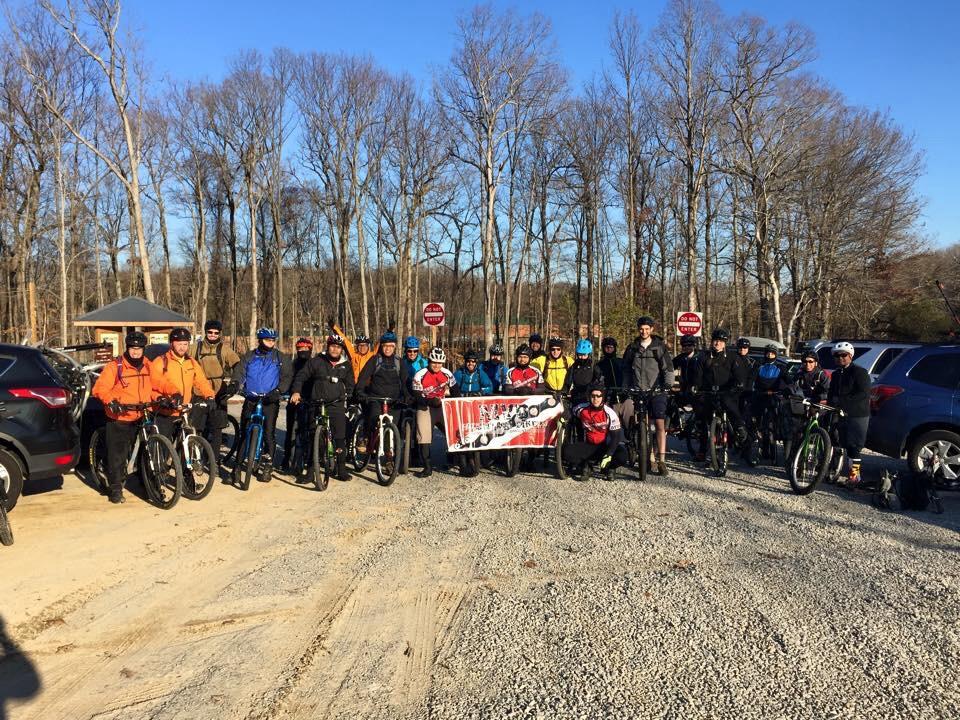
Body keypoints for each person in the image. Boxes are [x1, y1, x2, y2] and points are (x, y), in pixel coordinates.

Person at [92, 331, 178, 504]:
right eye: (133, 348)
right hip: (120, 416)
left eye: (139, 349)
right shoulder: (115, 366)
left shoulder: (147, 365)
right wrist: (111, 401)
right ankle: (115, 488)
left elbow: (160, 382)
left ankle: (146, 484)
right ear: (127, 348)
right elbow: (100, 388)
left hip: (141, 413)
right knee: (118, 454)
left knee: (146, 451)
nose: (136, 352)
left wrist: (174, 392)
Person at [290, 334, 355, 481]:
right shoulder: (316, 361)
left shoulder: (346, 365)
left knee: (339, 438)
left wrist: (350, 398)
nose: (335, 349)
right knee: (314, 437)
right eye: (332, 346)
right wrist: (296, 391)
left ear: (341, 349)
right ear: (328, 346)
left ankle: (341, 469)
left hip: (337, 404)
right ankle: (310, 472)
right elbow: (302, 375)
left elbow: (351, 384)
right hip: (317, 403)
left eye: (338, 347)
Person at [233, 327, 292, 476]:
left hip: (270, 400)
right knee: (245, 433)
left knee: (268, 433)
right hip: (251, 398)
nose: (270, 343)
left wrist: (279, 391)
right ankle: (237, 468)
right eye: (267, 340)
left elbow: (287, 376)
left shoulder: (280, 358)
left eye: (272, 340)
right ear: (260, 340)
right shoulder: (250, 356)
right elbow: (240, 372)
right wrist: (235, 384)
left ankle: (268, 464)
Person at [621, 315, 673, 477]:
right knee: (642, 423)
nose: (644, 331)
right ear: (638, 330)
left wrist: (667, 385)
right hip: (638, 390)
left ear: (651, 330)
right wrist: (626, 386)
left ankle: (661, 460)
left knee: (659, 424)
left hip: (656, 390)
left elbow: (668, 368)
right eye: (641, 329)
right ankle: (648, 457)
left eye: (647, 329)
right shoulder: (632, 348)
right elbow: (626, 369)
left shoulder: (659, 347)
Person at [150, 328, 216, 446]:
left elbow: (201, 381)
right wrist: (162, 399)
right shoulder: (161, 361)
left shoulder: (191, 362)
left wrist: (210, 396)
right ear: (172, 344)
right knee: (162, 449)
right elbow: (153, 383)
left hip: (184, 410)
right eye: (179, 344)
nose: (182, 347)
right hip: (166, 411)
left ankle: (180, 463)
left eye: (185, 344)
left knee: (184, 445)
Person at [691, 328, 748, 460]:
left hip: (726, 391)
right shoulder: (703, 356)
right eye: (716, 341)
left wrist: (739, 384)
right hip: (708, 391)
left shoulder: (732, 357)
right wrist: (695, 386)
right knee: (703, 419)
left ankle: (739, 428)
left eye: (721, 341)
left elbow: (739, 375)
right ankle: (702, 450)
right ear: (712, 342)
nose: (718, 344)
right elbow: (698, 376)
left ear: (725, 343)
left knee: (730, 405)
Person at [192, 319, 241, 459]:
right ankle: (195, 457)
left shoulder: (224, 349)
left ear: (219, 334)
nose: (213, 335)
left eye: (216, 333)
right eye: (210, 332)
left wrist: (235, 382)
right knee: (197, 427)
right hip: (198, 390)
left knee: (217, 428)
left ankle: (214, 460)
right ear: (205, 332)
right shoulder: (195, 347)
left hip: (219, 391)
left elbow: (238, 365)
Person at [355, 331, 410, 450]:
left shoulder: (399, 362)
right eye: (385, 346)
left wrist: (407, 395)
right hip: (376, 398)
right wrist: (360, 391)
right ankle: (366, 437)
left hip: (393, 400)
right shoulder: (375, 360)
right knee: (373, 419)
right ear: (381, 346)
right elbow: (363, 378)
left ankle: (390, 457)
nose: (388, 349)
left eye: (391, 346)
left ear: (395, 347)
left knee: (393, 428)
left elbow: (405, 381)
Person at [563, 383, 629, 482]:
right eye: (593, 396)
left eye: (599, 396)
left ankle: (610, 468)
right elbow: (569, 412)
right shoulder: (581, 409)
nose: (596, 399)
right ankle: (586, 466)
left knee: (623, 455)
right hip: (589, 445)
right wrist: (564, 417)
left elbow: (616, 437)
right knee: (566, 453)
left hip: (605, 446)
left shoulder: (610, 413)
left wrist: (609, 454)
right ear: (589, 397)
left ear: (603, 397)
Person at [826, 341, 871, 487]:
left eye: (843, 355)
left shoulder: (860, 372)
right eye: (837, 356)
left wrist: (843, 402)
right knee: (836, 442)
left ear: (850, 356)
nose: (840, 358)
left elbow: (864, 393)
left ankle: (854, 477)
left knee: (854, 447)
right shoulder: (836, 374)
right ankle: (834, 471)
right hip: (839, 413)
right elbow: (831, 393)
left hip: (857, 414)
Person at [411, 347, 457, 477]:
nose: (436, 365)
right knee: (424, 436)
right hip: (425, 406)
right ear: (429, 361)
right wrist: (430, 401)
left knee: (453, 431)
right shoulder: (420, 374)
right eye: (434, 362)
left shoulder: (447, 373)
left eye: (439, 363)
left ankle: (455, 460)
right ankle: (427, 467)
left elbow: (456, 391)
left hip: (441, 406)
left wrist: (454, 404)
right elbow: (417, 396)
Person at [281, 337, 315, 471]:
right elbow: (288, 380)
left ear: (310, 349)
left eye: (306, 349)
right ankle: (287, 458)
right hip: (294, 401)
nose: (303, 351)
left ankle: (312, 456)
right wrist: (285, 392)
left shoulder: (314, 363)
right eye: (300, 349)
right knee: (290, 431)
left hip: (311, 401)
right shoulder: (293, 364)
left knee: (310, 429)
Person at [562, 339, 604, 405]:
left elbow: (599, 382)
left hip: (590, 398)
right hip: (576, 397)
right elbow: (568, 382)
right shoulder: (574, 366)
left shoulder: (594, 366)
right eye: (580, 355)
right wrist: (564, 392)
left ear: (589, 355)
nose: (582, 357)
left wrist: (593, 390)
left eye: (584, 355)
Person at [597, 337, 624, 406]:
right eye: (607, 347)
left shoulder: (621, 362)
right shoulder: (600, 364)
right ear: (603, 348)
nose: (609, 349)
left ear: (614, 348)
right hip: (606, 394)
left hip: (621, 392)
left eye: (611, 347)